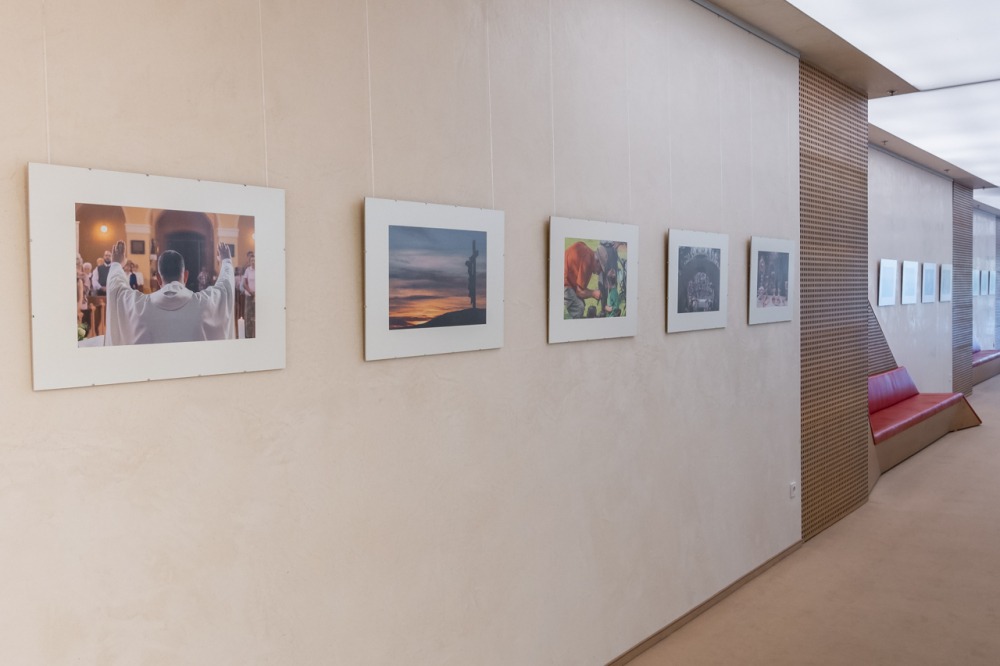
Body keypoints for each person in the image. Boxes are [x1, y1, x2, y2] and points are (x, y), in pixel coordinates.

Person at [104, 240, 234, 345]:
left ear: (158, 278)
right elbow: (225, 287)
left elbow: (117, 290)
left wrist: (116, 264)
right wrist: (226, 261)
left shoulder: (139, 306)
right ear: (186, 276)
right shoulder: (204, 304)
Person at [563, 241, 614, 319]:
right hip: (563, 280)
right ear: (597, 261)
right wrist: (593, 294)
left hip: (567, 276)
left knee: (581, 303)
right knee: (579, 307)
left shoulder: (589, 254)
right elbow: (579, 292)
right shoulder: (587, 260)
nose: (599, 272)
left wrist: (592, 292)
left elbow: (581, 289)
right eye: (600, 268)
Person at [241, 250, 256, 338]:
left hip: (257, 296)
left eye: (254, 260)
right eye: (252, 260)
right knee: (248, 316)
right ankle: (248, 335)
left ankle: (255, 335)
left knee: (256, 316)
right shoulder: (247, 270)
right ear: (250, 262)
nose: (253, 262)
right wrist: (250, 291)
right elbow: (244, 283)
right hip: (249, 296)